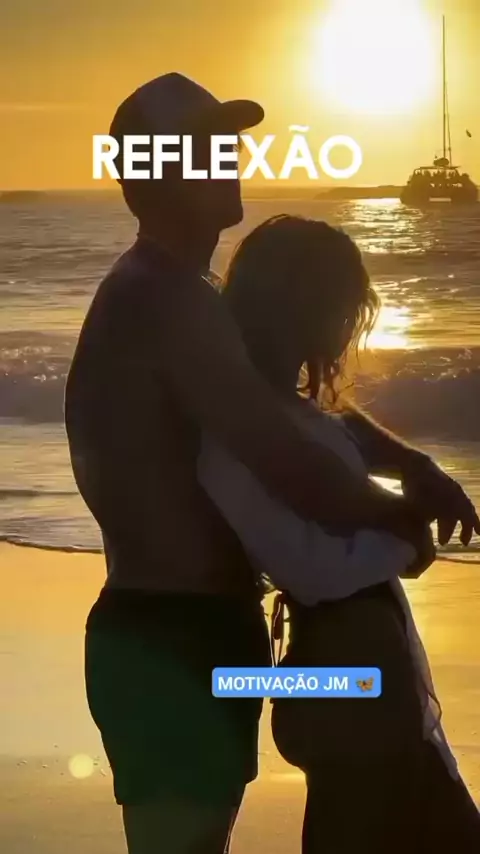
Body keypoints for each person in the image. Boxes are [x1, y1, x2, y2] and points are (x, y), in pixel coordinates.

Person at [65, 74, 443, 854]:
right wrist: (403, 522)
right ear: (153, 174)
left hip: (199, 637)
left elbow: (286, 404)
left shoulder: (189, 296)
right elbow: (287, 463)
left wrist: (409, 460)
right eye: (205, 146)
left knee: (375, 752)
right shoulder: (164, 300)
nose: (231, 156)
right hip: (170, 642)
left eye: (227, 142)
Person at [198, 214, 480, 853]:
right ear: (296, 307)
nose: (350, 324)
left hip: (371, 678)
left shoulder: (291, 410)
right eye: (341, 307)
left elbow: (340, 430)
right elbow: (311, 571)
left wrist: (418, 468)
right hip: (345, 681)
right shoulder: (233, 436)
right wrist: (407, 541)